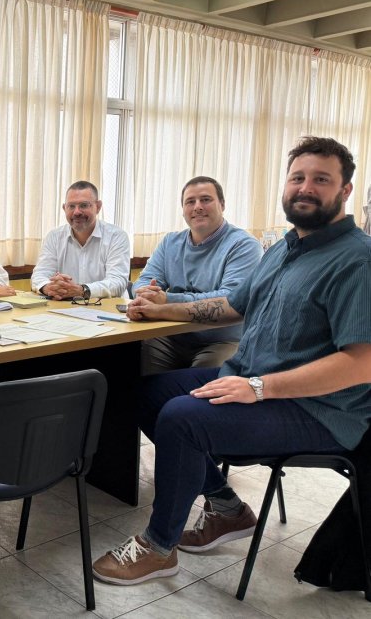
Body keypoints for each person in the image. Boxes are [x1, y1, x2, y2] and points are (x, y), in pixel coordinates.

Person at [92, 137, 371, 586]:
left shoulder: (358, 259)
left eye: (321, 179)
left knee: (182, 418)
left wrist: (260, 388)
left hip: (316, 408)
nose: (305, 187)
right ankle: (227, 508)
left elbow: (362, 364)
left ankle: (158, 547)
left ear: (345, 191)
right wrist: (159, 309)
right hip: (255, 382)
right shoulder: (283, 248)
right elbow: (232, 306)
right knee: (145, 394)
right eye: (298, 177)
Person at [133, 177, 262, 374]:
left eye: (205, 200)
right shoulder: (170, 242)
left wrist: (166, 299)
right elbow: (144, 280)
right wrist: (144, 294)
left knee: (197, 389)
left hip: (222, 339)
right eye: (190, 202)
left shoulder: (244, 245)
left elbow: (229, 300)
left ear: (222, 204)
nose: (197, 207)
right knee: (130, 367)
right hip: (171, 335)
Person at [31, 181, 130, 300]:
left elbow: (117, 283)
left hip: (107, 310)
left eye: (83, 205)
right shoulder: (54, 237)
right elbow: (39, 275)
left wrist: (82, 290)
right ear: (64, 208)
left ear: (98, 207)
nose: (77, 212)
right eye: (71, 206)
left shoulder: (116, 237)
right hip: (65, 309)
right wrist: (48, 287)